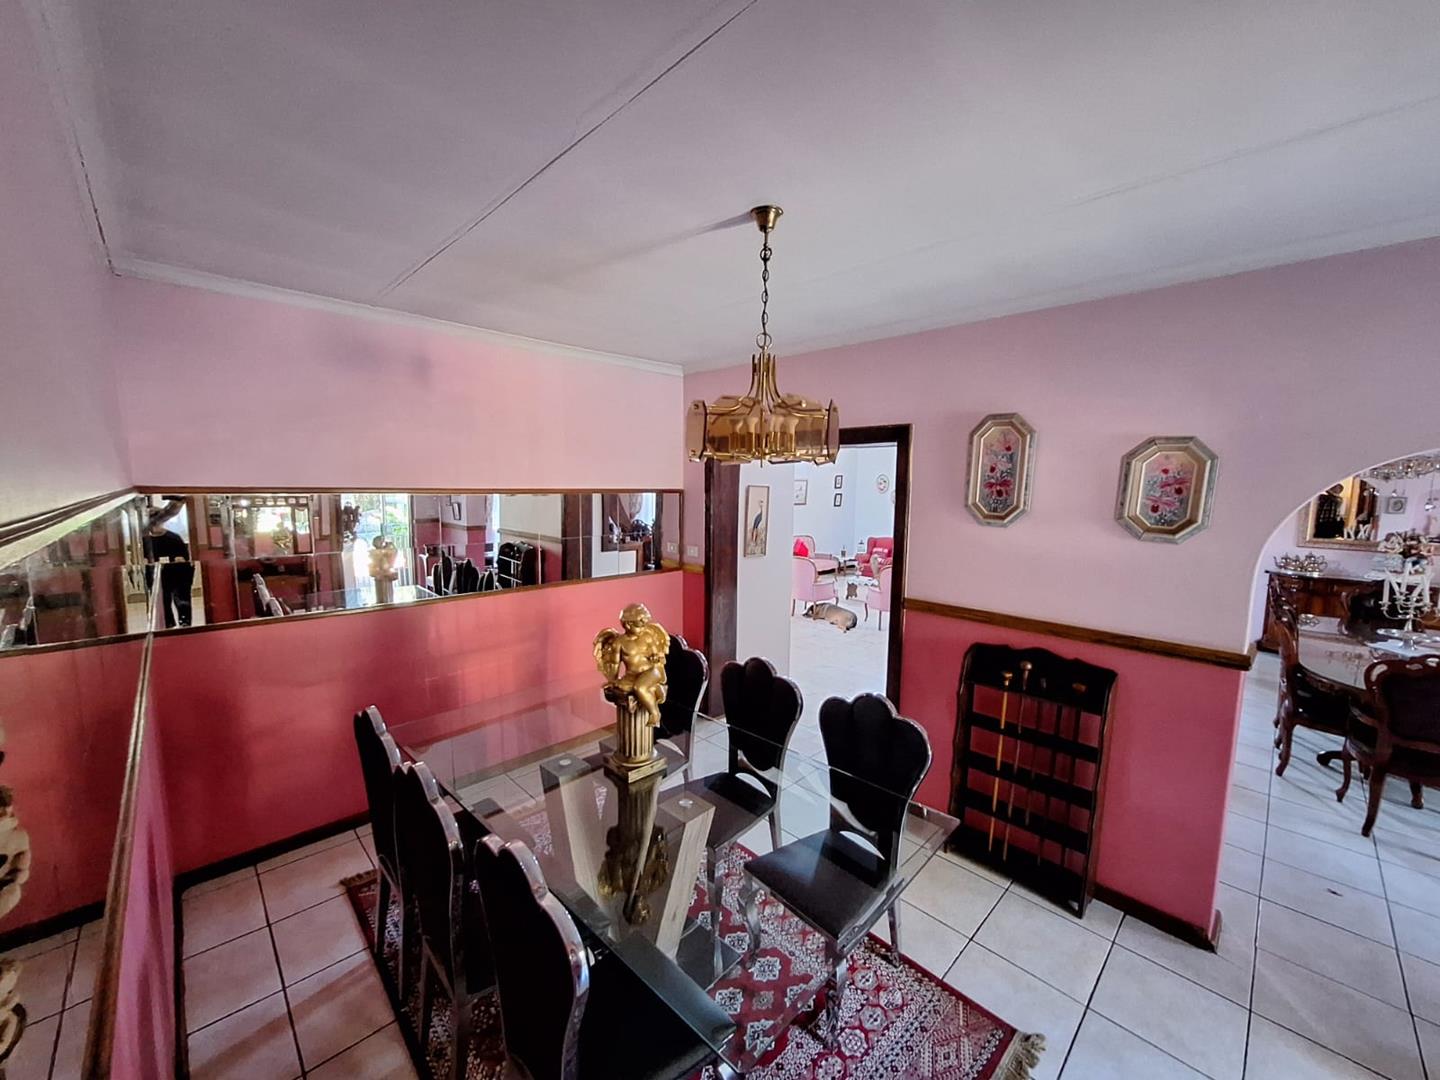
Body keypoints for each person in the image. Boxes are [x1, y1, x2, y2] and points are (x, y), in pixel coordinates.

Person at [143, 501, 194, 628]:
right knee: (163, 602)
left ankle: (185, 624)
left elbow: (185, 559)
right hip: (157, 577)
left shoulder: (174, 538)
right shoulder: (145, 541)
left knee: (182, 600)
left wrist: (180, 560)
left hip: (177, 575)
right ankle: (168, 625)